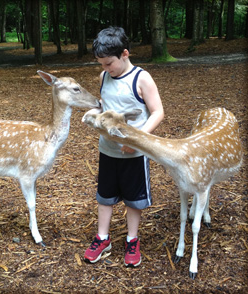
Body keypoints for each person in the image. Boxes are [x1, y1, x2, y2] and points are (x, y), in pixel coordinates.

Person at [84, 26, 164, 267]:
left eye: (108, 63)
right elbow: (105, 105)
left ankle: (132, 239)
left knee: (133, 198)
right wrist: (94, 111)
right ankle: (103, 237)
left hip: (134, 154)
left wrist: (136, 139)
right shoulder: (104, 77)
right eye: (101, 64)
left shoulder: (142, 78)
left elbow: (158, 112)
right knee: (105, 195)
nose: (105, 69)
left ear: (125, 54)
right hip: (107, 149)